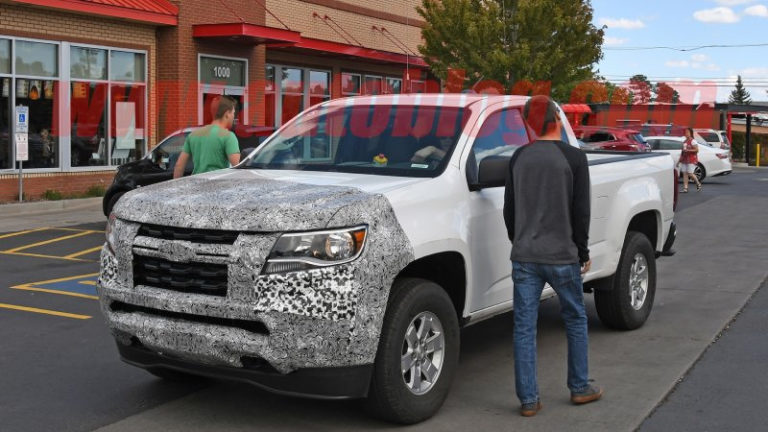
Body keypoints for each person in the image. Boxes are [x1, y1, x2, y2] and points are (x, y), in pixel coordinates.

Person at [503, 95, 602, 417]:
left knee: (523, 327)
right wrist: (582, 251)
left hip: (525, 256)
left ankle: (529, 400)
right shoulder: (573, 158)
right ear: (557, 119)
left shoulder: (518, 157)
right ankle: (579, 387)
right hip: (562, 256)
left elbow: (510, 211)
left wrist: (519, 241)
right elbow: (581, 211)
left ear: (530, 124)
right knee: (575, 319)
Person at [174, 96, 240, 179]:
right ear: (227, 114)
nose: (234, 117)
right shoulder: (228, 136)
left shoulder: (193, 135)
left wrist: (176, 189)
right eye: (233, 113)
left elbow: (179, 166)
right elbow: (238, 167)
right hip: (218, 186)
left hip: (196, 185)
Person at [679, 128, 702, 193]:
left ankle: (698, 183)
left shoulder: (693, 141)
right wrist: (680, 160)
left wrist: (688, 150)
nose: (686, 134)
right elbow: (682, 151)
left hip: (691, 159)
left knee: (690, 173)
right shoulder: (684, 142)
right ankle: (685, 188)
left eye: (688, 132)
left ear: (691, 133)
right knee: (684, 173)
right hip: (685, 159)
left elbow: (697, 150)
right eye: (685, 132)